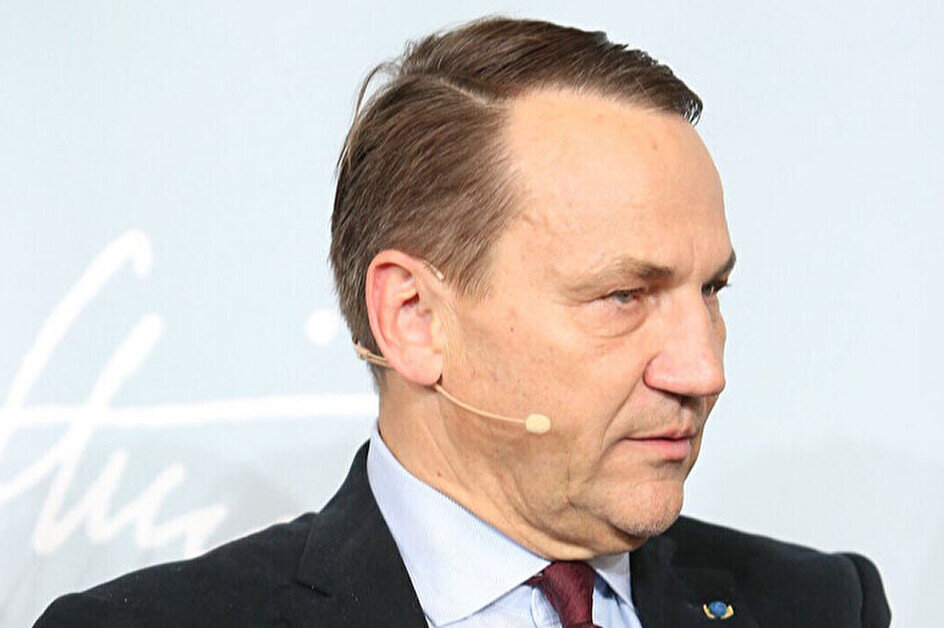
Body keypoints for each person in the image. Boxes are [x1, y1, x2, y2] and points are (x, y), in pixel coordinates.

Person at [36, 16, 889, 627]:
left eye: (710, 291)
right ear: (413, 319)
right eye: (624, 296)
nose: (703, 371)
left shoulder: (819, 606)